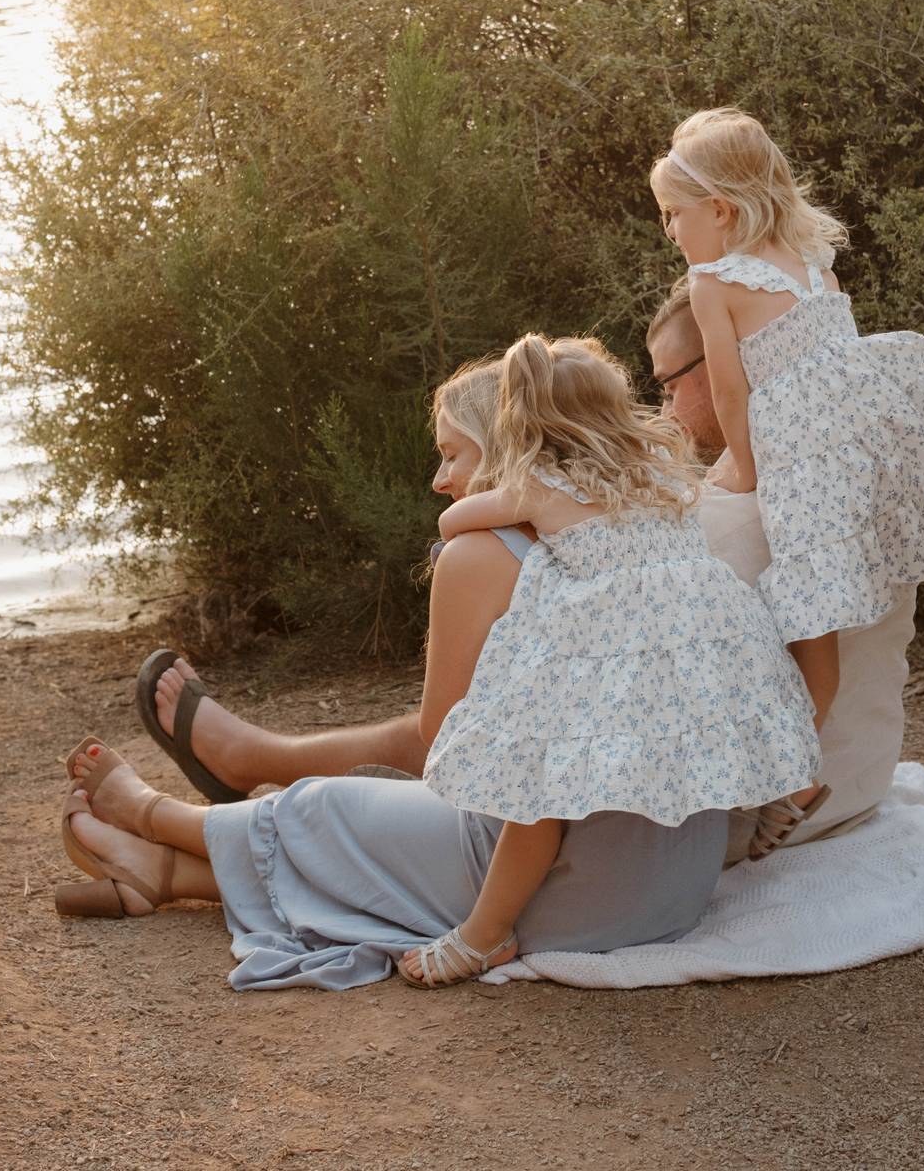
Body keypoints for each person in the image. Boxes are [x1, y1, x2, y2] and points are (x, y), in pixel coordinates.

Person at [53, 359, 738, 991]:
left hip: (576, 894)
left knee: (326, 808)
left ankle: (155, 816)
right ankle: (163, 873)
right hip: (674, 885)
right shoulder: (644, 526)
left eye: (451, 455)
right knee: (379, 820)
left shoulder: (479, 552)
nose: (441, 481)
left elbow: (445, 740)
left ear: (501, 447)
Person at [399, 335, 820, 985]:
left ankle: (485, 934)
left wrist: (497, 507)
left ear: (525, 422)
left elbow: (458, 520)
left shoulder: (538, 485)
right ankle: (790, 793)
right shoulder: (657, 468)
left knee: (539, 786)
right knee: (745, 711)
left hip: (616, 636)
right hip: (707, 623)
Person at [650, 105, 924, 845]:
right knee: (828, 624)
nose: (670, 231)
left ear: (719, 207)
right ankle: (915, 549)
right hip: (854, 448)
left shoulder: (713, 282)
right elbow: (844, 375)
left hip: (805, 473)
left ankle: (796, 777)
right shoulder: (814, 266)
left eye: (673, 214)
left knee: (812, 634)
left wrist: (743, 468)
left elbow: (732, 388)